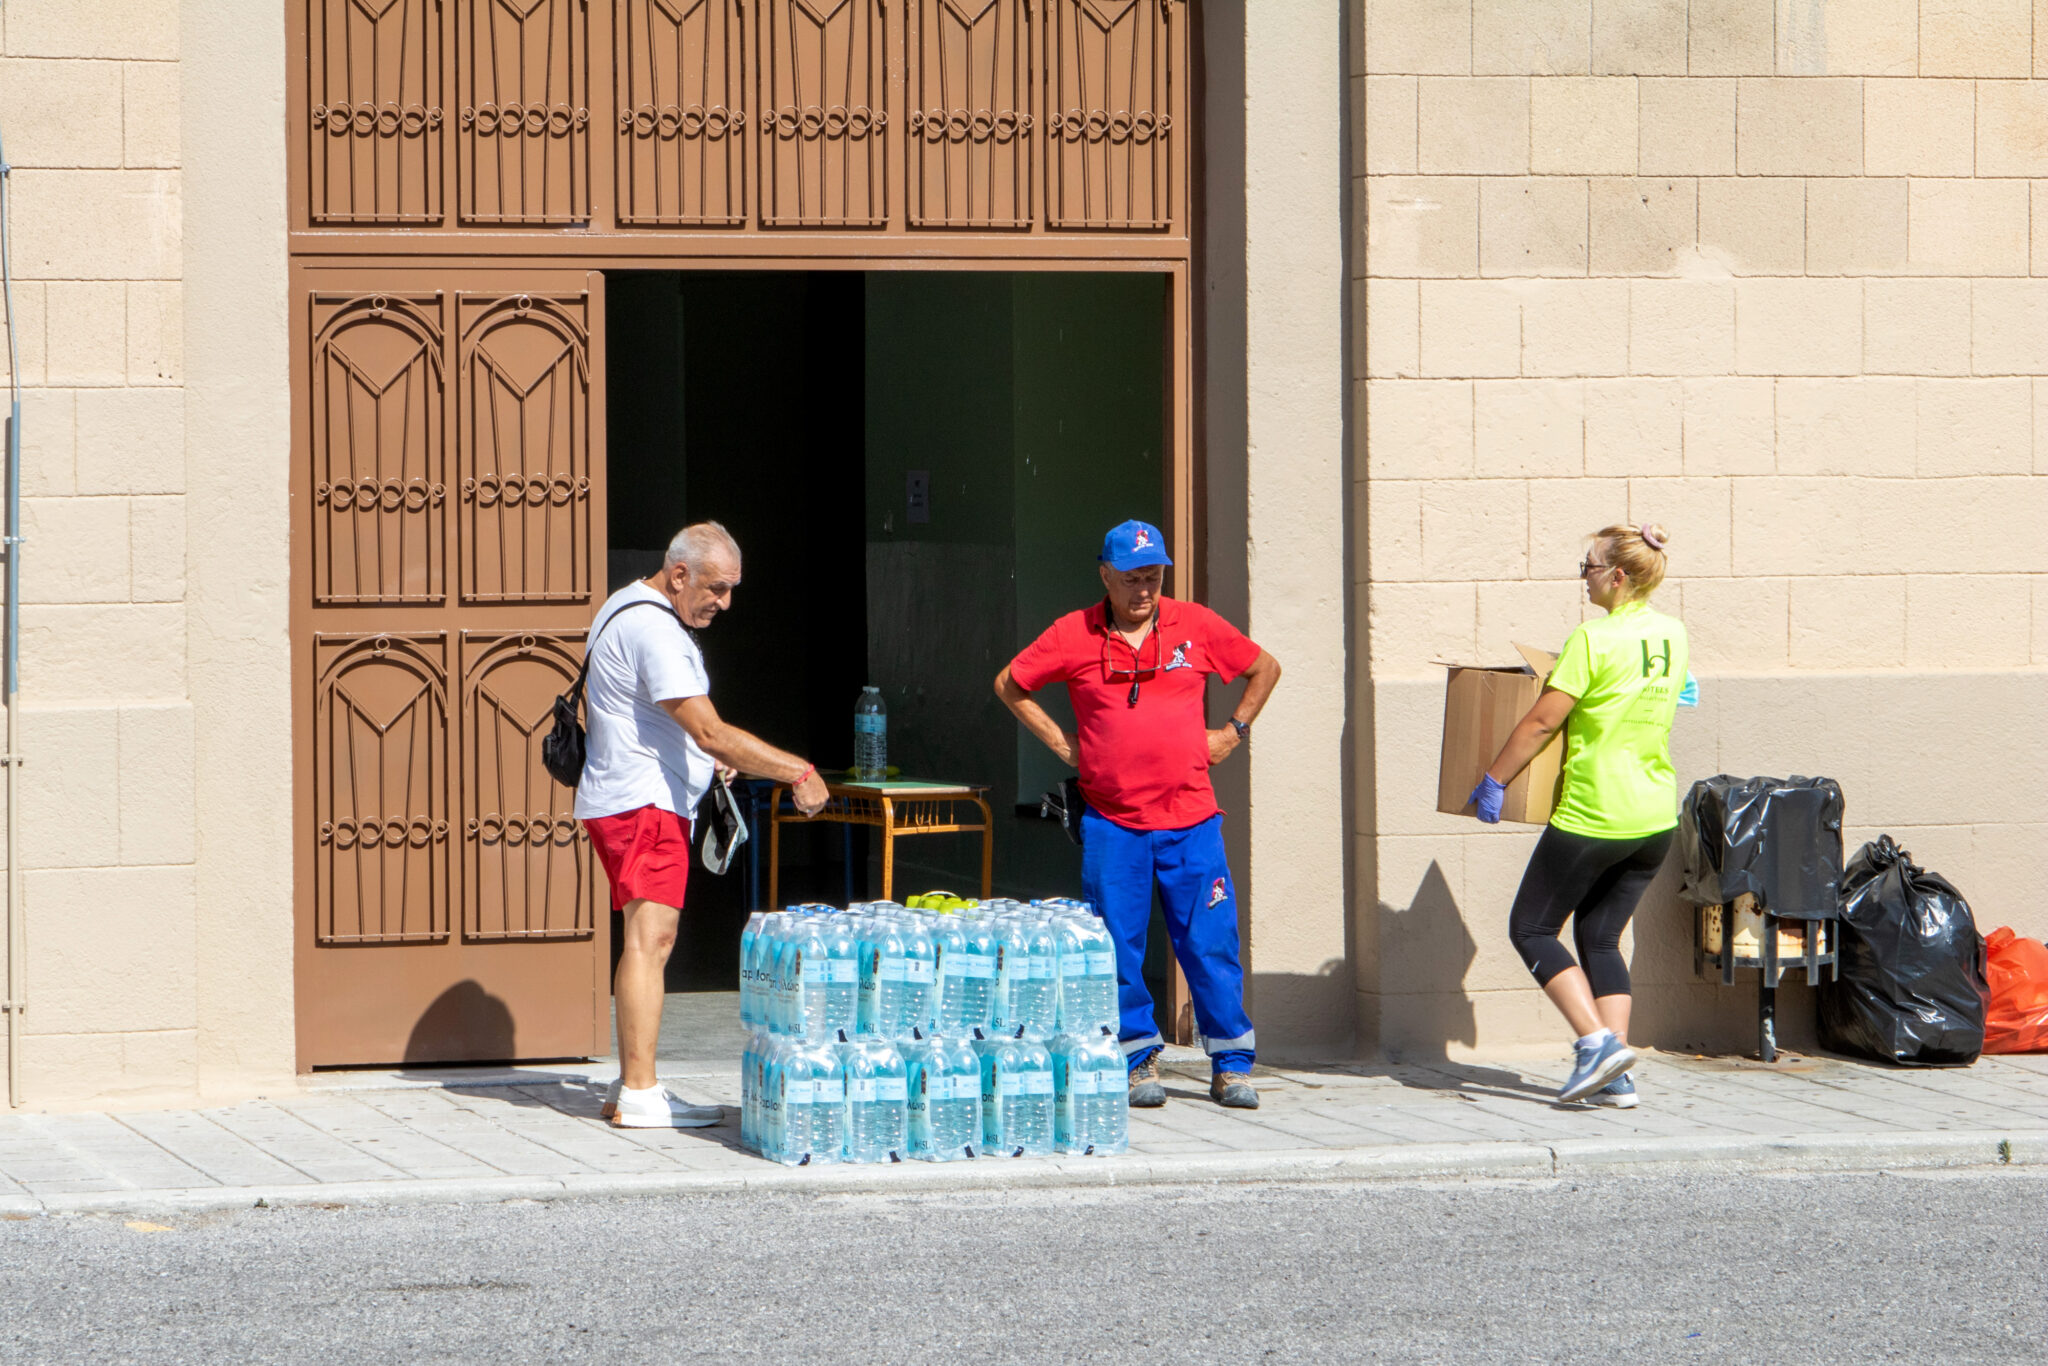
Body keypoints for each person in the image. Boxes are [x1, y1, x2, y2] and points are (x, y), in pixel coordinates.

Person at [995, 520, 1281, 1110]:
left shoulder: (1194, 625)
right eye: (1131, 580)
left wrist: (1233, 732)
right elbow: (1010, 684)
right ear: (1105, 575)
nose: (1144, 591)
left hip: (1192, 820)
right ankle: (1137, 1058)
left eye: (1153, 578)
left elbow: (1264, 668)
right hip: (1113, 822)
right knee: (1117, 947)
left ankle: (1230, 1063)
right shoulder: (1074, 633)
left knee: (1209, 943)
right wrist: (1064, 746)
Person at [575, 522, 829, 1128]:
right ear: (680, 574)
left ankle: (635, 1084)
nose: (724, 603)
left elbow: (629, 711)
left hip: (629, 797)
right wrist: (798, 771)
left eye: (732, 589)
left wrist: (695, 755)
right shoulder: (656, 629)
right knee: (651, 941)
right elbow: (710, 728)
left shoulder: (624, 606)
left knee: (648, 940)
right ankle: (640, 1092)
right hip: (644, 805)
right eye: (715, 588)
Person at [1470, 523, 1690, 1107]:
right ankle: (1615, 1077)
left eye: (1588, 567)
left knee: (1532, 928)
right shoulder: (1673, 634)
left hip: (1597, 813)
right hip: (1654, 816)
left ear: (1618, 576)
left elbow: (1543, 722)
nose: (1583, 577)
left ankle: (1594, 1043)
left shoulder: (1592, 640)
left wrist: (1494, 779)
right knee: (1600, 937)